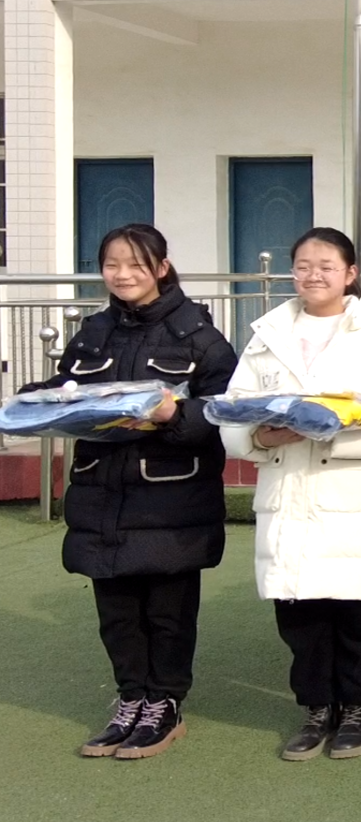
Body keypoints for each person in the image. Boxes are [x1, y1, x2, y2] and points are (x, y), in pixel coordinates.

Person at [33, 224, 237, 760]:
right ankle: (130, 701)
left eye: (136, 265)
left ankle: (164, 705)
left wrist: (173, 416)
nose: (123, 275)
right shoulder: (93, 332)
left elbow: (222, 409)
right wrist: (33, 401)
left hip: (171, 499)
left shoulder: (199, 335)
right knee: (117, 613)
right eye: (112, 265)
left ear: (161, 268)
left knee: (167, 613)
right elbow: (68, 389)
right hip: (102, 493)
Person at [220, 228, 361, 761]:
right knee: (298, 613)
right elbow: (234, 409)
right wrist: (261, 437)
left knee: (355, 612)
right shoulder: (267, 335)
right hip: (288, 489)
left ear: (350, 274)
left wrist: (327, 430)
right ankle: (316, 708)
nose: (313, 275)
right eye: (303, 265)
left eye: (326, 266)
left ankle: (357, 708)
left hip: (349, 492)